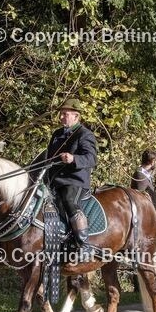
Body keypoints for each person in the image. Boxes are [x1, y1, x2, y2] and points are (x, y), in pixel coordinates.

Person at [35, 97, 99, 259]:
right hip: (53, 181)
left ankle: (84, 246)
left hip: (74, 181)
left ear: (76, 116)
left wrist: (74, 159)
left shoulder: (85, 134)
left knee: (69, 200)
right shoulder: (57, 134)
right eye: (61, 114)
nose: (61, 117)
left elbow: (92, 159)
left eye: (65, 114)